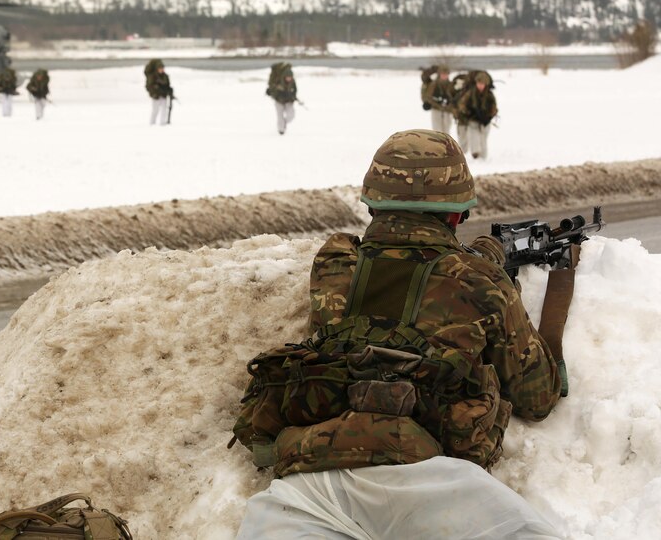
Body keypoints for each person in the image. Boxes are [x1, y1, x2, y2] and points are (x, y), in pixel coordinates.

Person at [236, 129, 565, 539]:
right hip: (424, 472)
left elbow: (402, 266)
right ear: (455, 213)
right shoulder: (478, 280)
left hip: (311, 472)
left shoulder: (336, 264)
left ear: (374, 202)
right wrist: (496, 279)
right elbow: (538, 397)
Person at [456, 70, 498, 159]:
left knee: (483, 138)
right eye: (479, 83)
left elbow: (494, 107)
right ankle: (475, 154)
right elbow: (462, 104)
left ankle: (483, 157)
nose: (480, 86)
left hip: (485, 121)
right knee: (474, 136)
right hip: (473, 119)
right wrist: (469, 113)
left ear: (486, 84)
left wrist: (489, 117)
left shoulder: (489, 95)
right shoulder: (470, 93)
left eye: (482, 84)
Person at [266, 62, 299, 135]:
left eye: (290, 77)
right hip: (279, 101)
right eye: (288, 77)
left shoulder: (292, 82)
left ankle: (284, 123)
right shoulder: (278, 82)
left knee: (291, 115)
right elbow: (273, 91)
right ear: (284, 76)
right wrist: (276, 94)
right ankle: (281, 131)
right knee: (279, 116)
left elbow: (295, 90)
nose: (289, 78)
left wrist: (293, 97)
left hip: (288, 101)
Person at [422, 65, 455, 134]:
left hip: (447, 111)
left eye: (446, 74)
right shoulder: (433, 84)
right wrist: (438, 105)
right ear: (439, 74)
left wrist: (448, 106)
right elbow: (429, 96)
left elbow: (454, 98)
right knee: (437, 131)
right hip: (436, 110)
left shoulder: (451, 85)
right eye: (443, 74)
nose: (444, 76)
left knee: (446, 131)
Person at [145, 59, 173, 125]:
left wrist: (169, 91)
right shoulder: (153, 76)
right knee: (155, 110)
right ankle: (152, 123)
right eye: (160, 68)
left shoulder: (165, 76)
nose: (162, 69)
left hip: (163, 95)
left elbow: (168, 85)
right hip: (156, 96)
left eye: (162, 68)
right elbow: (150, 86)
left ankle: (162, 123)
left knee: (164, 109)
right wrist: (154, 92)